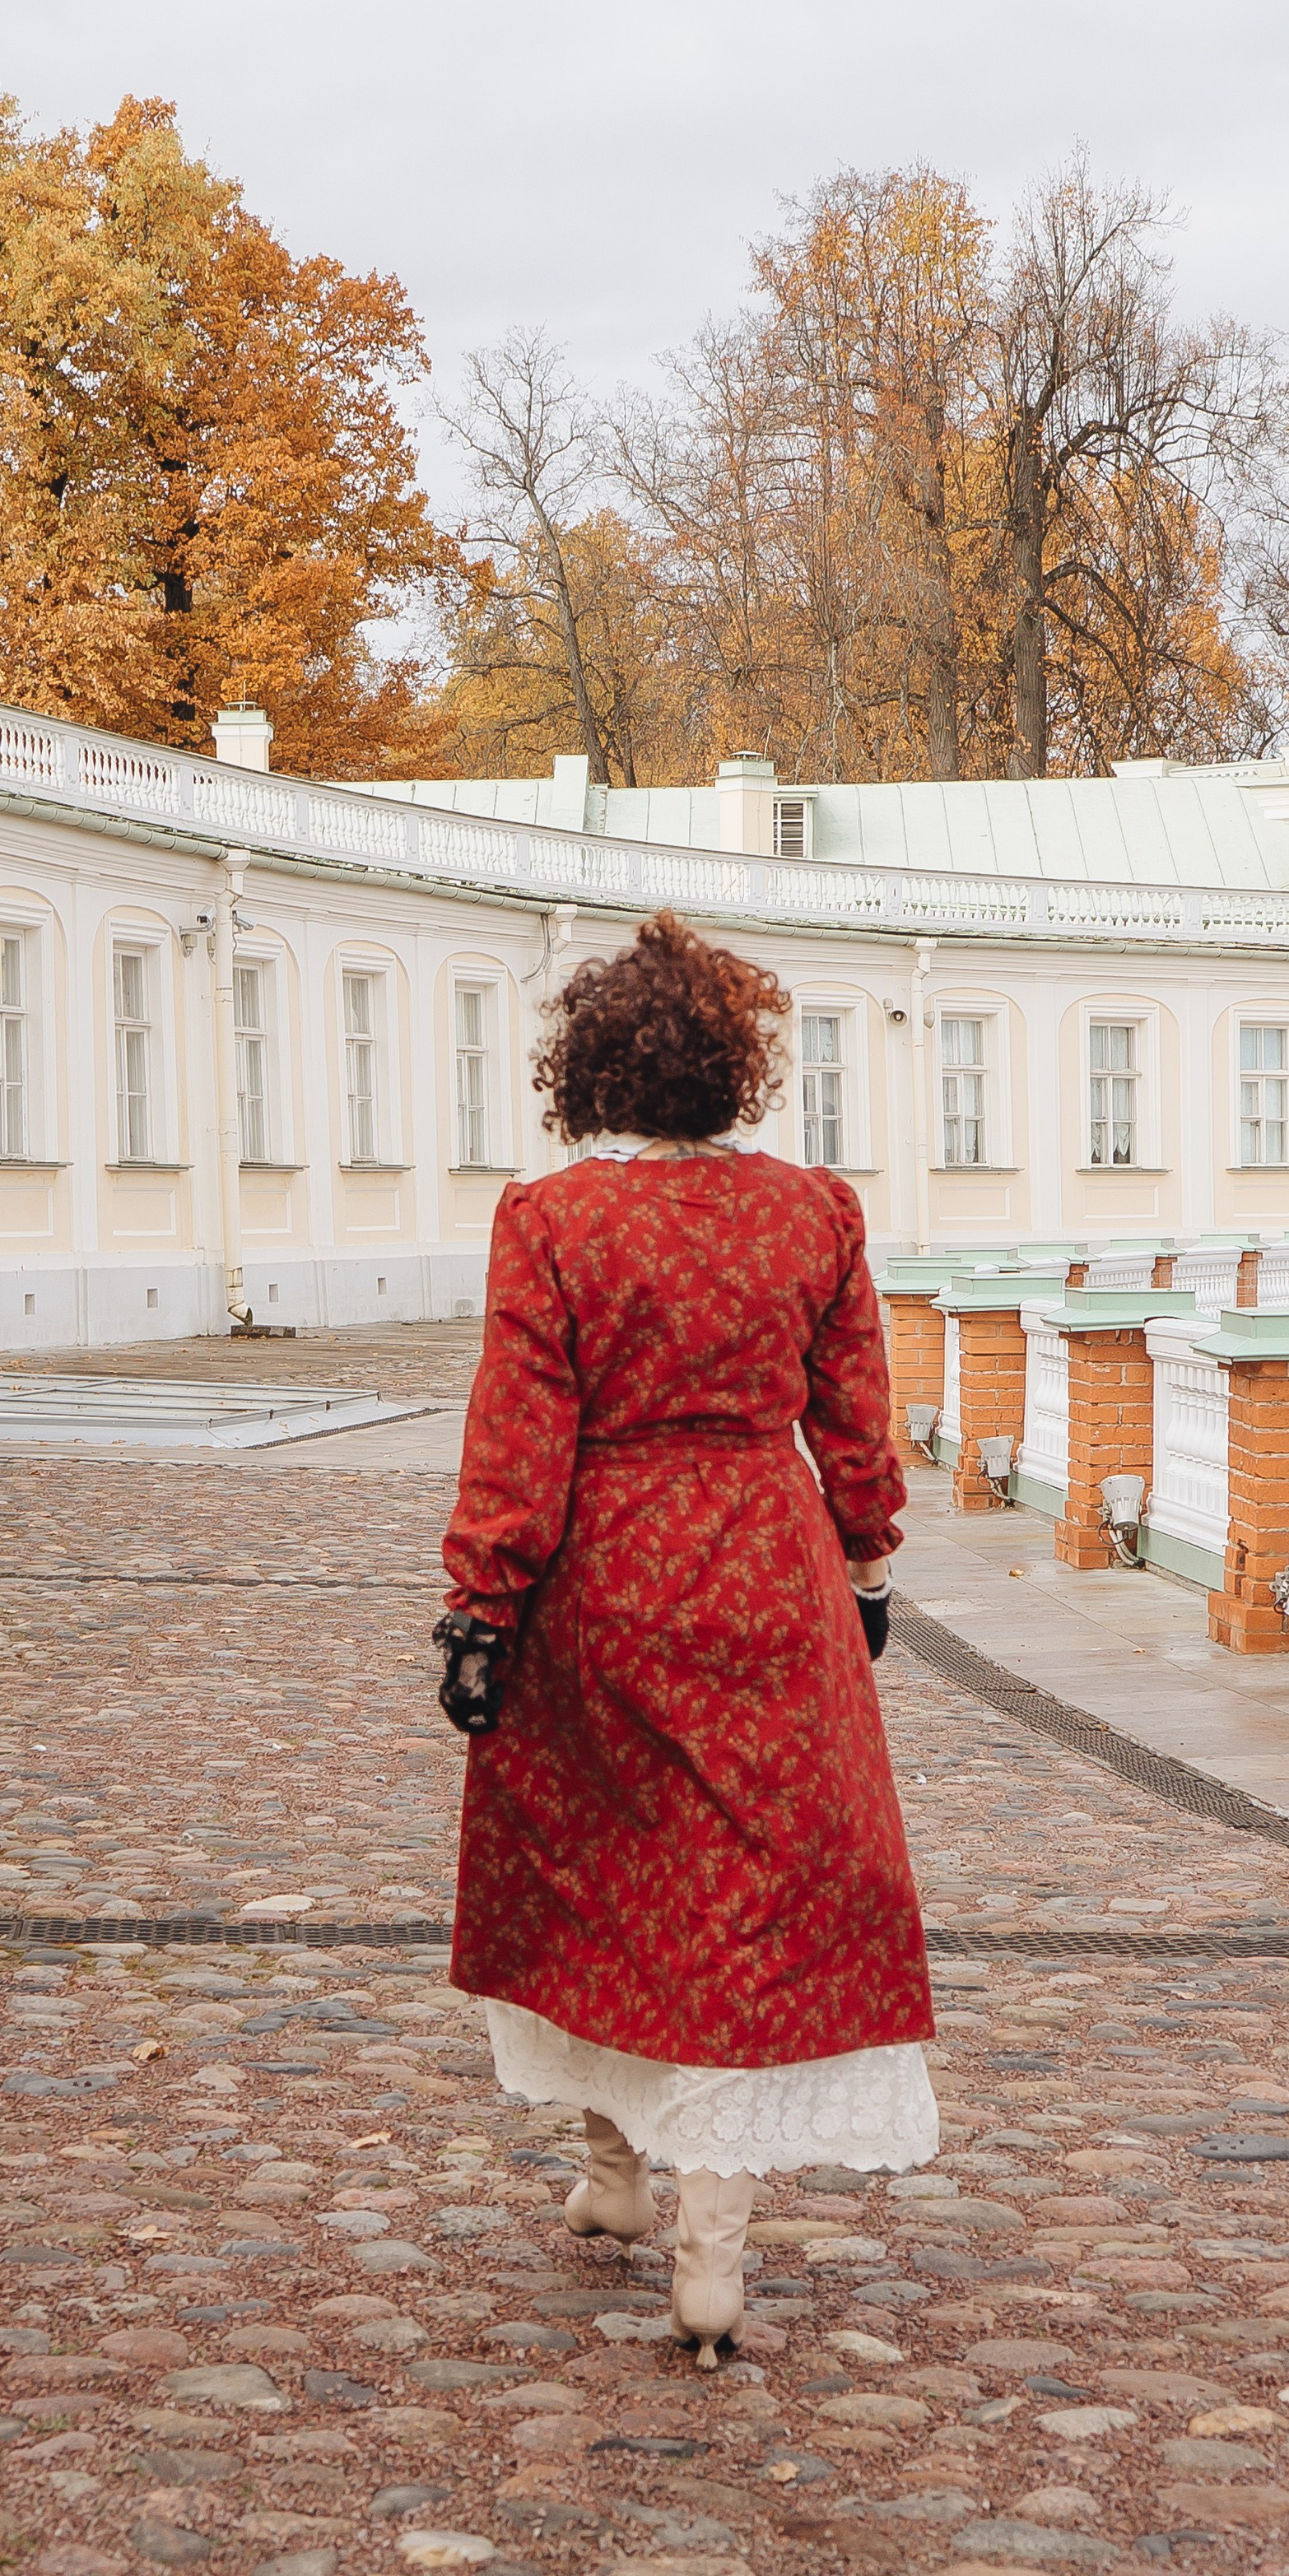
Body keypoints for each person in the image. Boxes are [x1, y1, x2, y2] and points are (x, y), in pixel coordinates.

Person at [434, 909, 937, 2363]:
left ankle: (613, 2174)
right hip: (767, 1565)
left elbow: (517, 1439)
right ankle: (702, 2256)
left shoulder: (553, 1221)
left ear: (592, 1073)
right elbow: (852, 1416)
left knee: (604, 1861)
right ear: (739, 1071)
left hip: (607, 1567)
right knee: (742, 1889)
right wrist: (866, 1555)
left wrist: (481, 1602)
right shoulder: (815, 1213)